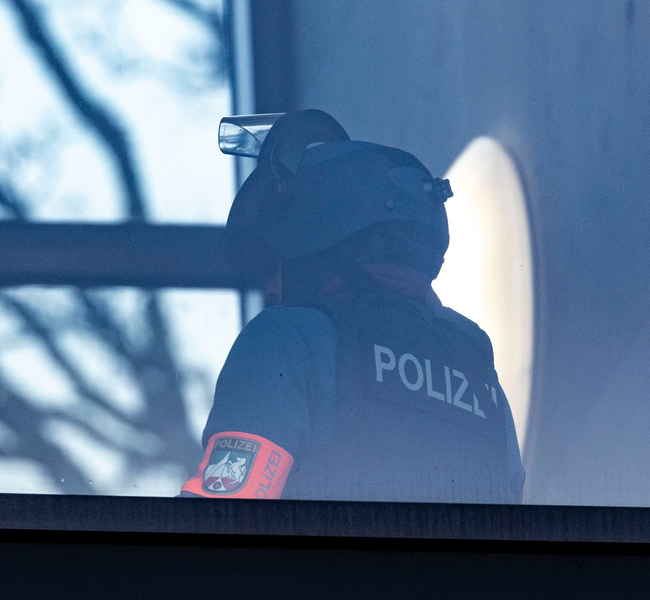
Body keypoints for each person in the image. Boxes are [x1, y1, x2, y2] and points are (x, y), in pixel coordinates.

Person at [180, 110, 525, 503]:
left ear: (318, 245)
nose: (271, 292)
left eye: (274, 270)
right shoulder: (482, 376)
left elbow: (226, 515)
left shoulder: (287, 339)